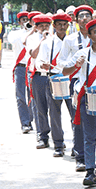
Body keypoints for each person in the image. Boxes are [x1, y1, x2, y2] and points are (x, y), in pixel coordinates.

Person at [63, 18, 96, 187]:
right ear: (90, 35)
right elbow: (65, 70)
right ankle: (90, 170)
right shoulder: (82, 54)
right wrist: (76, 66)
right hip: (88, 97)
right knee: (90, 135)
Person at [63, 5, 96, 170]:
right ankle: (80, 156)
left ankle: (94, 157)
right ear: (75, 20)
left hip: (95, 81)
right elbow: (62, 62)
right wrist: (74, 65)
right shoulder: (69, 40)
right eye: (81, 16)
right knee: (78, 118)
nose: (84, 19)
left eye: (87, 16)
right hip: (77, 82)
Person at [37, 12, 73, 157]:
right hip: (53, 79)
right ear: (54, 26)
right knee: (54, 114)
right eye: (59, 24)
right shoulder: (47, 43)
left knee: (75, 114)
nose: (62, 27)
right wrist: (43, 65)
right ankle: (58, 144)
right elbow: (38, 61)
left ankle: (77, 145)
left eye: (65, 25)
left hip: (70, 80)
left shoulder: (73, 42)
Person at [27, 14, 55, 149]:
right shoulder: (32, 38)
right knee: (40, 107)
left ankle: (57, 138)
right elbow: (33, 54)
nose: (45, 28)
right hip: (38, 75)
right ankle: (43, 136)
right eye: (42, 26)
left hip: (52, 75)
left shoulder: (54, 38)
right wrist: (42, 40)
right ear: (36, 27)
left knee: (55, 109)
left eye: (47, 25)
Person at [7, 11, 34, 133]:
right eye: (24, 20)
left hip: (33, 67)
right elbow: (16, 41)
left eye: (28, 20)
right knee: (21, 96)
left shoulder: (37, 34)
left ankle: (33, 119)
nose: (26, 23)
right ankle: (25, 122)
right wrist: (29, 31)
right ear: (19, 22)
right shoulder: (15, 34)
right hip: (21, 67)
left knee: (33, 96)